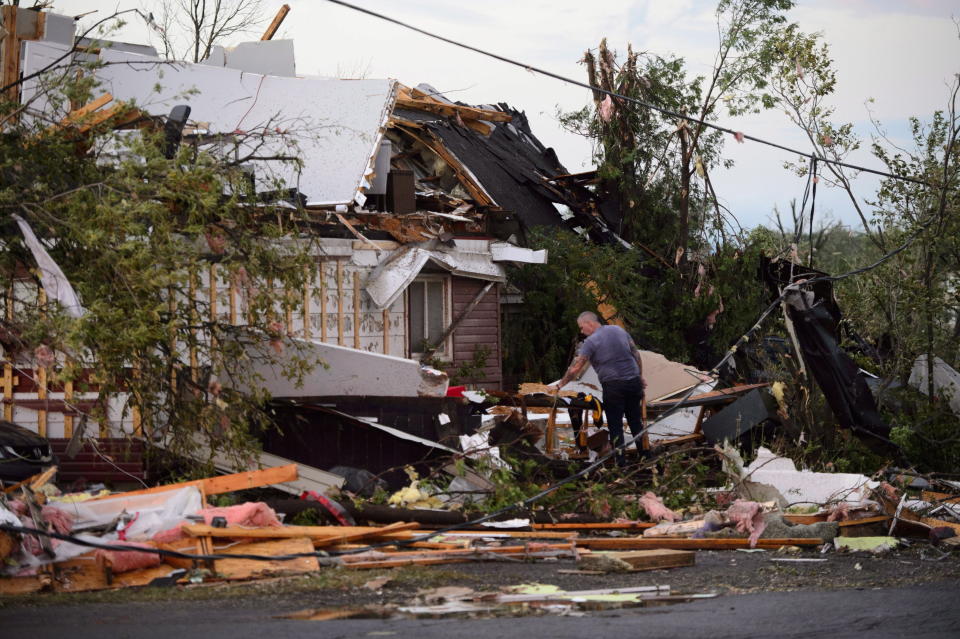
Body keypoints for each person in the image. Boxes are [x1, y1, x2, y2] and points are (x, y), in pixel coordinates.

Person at [549, 311, 646, 465]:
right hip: (634, 383)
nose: (581, 332)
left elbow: (576, 369)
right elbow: (636, 354)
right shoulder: (619, 330)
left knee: (616, 426)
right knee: (636, 422)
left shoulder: (591, 342)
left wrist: (560, 385)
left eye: (582, 328)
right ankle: (646, 458)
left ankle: (621, 464)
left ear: (590, 323)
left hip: (614, 386)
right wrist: (640, 376)